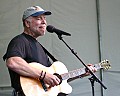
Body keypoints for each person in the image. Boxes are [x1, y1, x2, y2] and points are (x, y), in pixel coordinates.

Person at [3, 6, 96, 96]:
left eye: (44, 18)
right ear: (27, 23)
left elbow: (54, 79)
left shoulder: (38, 46)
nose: (44, 22)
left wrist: (81, 73)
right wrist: (43, 75)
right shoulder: (20, 41)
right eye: (39, 18)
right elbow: (13, 62)